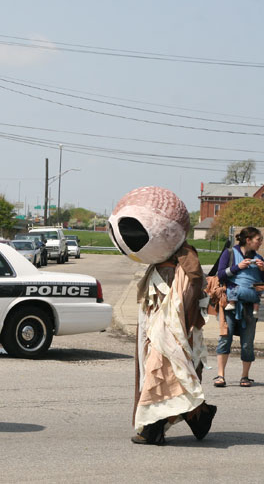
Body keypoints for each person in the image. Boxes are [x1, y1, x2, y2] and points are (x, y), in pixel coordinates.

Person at [108, 186, 216, 445]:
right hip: (156, 332)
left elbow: (187, 301)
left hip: (170, 334)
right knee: (166, 378)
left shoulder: (185, 266)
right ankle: (197, 417)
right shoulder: (165, 265)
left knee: (162, 375)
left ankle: (154, 430)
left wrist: (175, 332)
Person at [214, 226, 262, 388]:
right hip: (230, 303)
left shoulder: (259, 258)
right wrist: (237, 267)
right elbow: (219, 274)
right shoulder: (229, 254)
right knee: (225, 338)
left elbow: (261, 285)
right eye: (258, 240)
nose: (260, 243)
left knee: (248, 343)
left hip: (250, 306)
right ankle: (220, 375)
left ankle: (245, 376)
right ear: (248, 240)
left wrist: (263, 270)